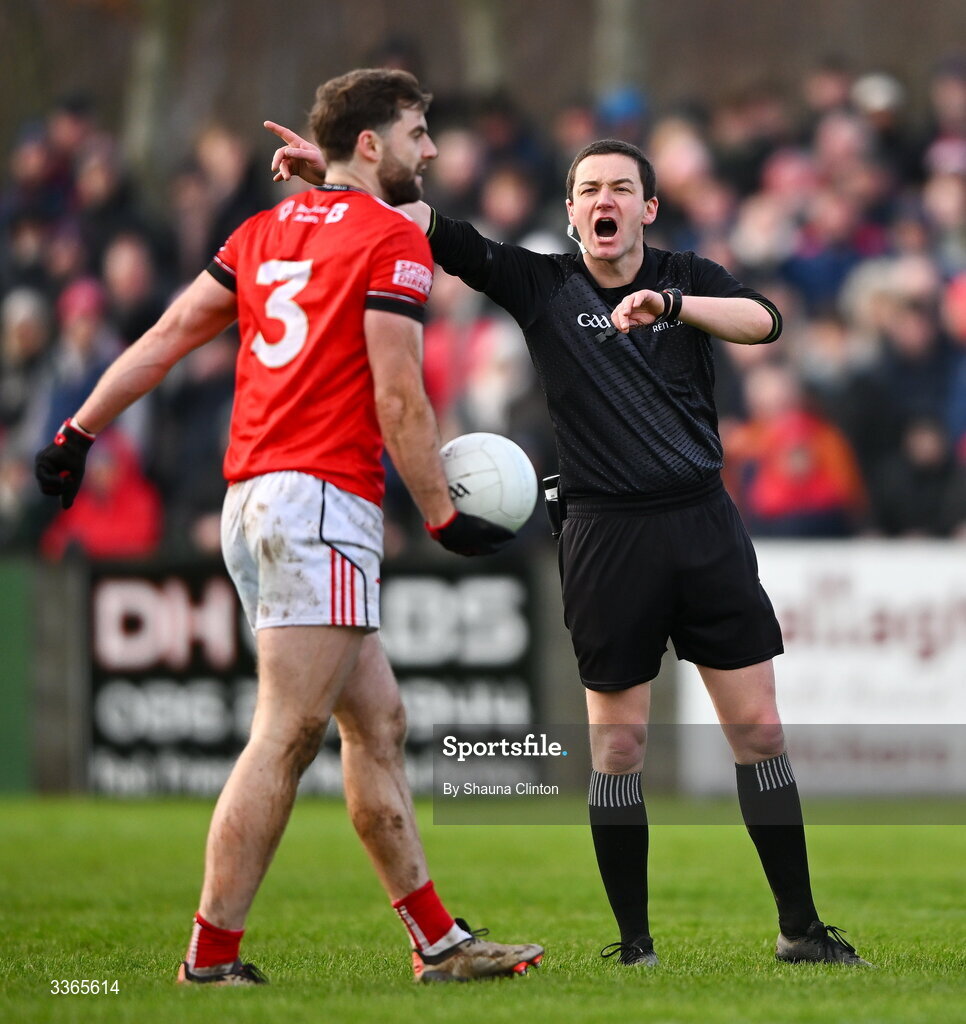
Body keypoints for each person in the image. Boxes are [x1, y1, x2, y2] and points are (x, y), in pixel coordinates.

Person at [264, 124, 873, 968]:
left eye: (621, 188)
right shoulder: (542, 284)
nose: (604, 202)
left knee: (761, 732)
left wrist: (673, 306)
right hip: (603, 535)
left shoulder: (685, 277)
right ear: (571, 211)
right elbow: (427, 224)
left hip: (702, 524)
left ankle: (800, 931)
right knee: (618, 747)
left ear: (649, 208)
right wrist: (334, 176)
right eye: (589, 190)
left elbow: (764, 321)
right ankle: (634, 946)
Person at [35, 69, 543, 986]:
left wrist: (77, 429)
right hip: (319, 501)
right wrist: (439, 512)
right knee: (284, 734)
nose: (433, 150)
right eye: (419, 132)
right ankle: (210, 959)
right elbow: (398, 394)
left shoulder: (263, 231)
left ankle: (439, 942)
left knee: (377, 721)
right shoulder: (392, 239)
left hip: (254, 502)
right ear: (376, 144)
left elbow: (166, 334)